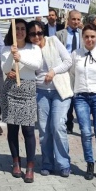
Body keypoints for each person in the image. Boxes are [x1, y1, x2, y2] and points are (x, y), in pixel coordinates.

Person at [27, 21, 74, 178]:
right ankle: (47, 163)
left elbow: (68, 61)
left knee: (58, 125)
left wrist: (53, 71)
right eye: (33, 34)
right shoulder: (29, 49)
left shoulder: (53, 41)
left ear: (43, 32)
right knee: (44, 130)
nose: (36, 37)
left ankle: (64, 164)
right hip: (41, 92)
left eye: (39, 33)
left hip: (60, 91)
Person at [1, 19, 43, 183]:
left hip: (28, 90)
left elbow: (37, 65)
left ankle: (30, 166)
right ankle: (16, 162)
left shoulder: (34, 48)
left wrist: (20, 57)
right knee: (12, 129)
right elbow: (5, 69)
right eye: (16, 28)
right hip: (10, 91)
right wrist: (12, 56)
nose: (19, 32)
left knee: (28, 130)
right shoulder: (7, 48)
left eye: (22, 29)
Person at [70, 23, 96, 180]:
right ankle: (89, 163)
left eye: (92, 36)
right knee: (86, 132)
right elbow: (72, 74)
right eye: (86, 36)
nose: (89, 39)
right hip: (81, 97)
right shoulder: (76, 54)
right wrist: (75, 90)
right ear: (82, 37)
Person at [56, 10, 83, 133]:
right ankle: (68, 123)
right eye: (73, 19)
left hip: (79, 69)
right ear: (68, 19)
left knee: (79, 96)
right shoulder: (60, 34)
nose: (76, 22)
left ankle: (82, 124)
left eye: (78, 19)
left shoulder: (83, 34)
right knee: (67, 95)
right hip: (65, 70)